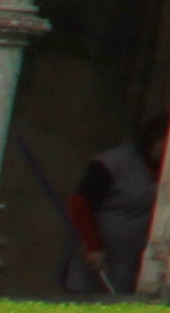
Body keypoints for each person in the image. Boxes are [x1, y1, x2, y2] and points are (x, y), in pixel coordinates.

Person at [60, 125, 158, 296]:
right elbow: (80, 204)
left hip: (130, 259)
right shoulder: (114, 163)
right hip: (99, 256)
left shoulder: (163, 168)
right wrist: (92, 246)